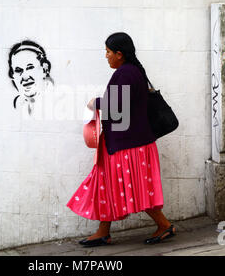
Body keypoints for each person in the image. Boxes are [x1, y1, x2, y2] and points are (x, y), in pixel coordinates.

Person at [67, 32, 176, 247]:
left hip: (130, 145)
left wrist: (93, 103)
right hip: (126, 143)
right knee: (107, 185)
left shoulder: (126, 74)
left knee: (137, 189)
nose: (106, 56)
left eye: (108, 52)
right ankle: (103, 231)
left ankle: (165, 225)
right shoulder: (132, 71)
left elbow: (116, 106)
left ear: (119, 54)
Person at [8, 40, 54, 115]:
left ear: (45, 69)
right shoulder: (15, 105)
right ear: (12, 75)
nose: (25, 77)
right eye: (18, 70)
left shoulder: (54, 103)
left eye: (30, 68)